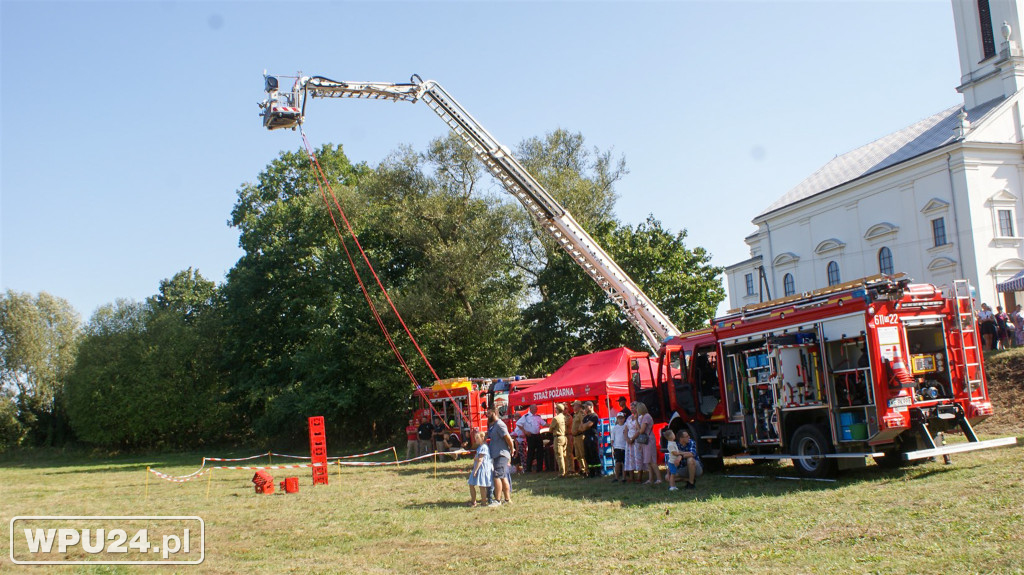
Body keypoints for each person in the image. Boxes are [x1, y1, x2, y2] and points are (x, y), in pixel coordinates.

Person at [485, 406, 515, 506]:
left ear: (495, 413)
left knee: (497, 476)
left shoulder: (500, 424)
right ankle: (507, 499)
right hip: (496, 454)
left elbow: (508, 438)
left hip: (502, 454)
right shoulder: (493, 425)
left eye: (489, 413)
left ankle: (497, 500)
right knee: (502, 477)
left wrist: (512, 450)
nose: (487, 415)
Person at [634, 402, 662, 485]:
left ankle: (659, 478)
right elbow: (640, 429)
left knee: (652, 461)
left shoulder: (646, 417)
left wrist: (637, 425)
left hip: (649, 440)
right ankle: (651, 479)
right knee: (648, 461)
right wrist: (636, 420)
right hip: (646, 440)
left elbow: (641, 430)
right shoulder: (644, 417)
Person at [516, 404, 547, 473]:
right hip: (531, 436)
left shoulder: (538, 417)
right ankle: (528, 469)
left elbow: (544, 424)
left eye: (536, 408)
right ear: (531, 409)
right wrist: (525, 431)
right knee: (531, 452)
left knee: (540, 452)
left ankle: (539, 469)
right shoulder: (526, 417)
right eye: (535, 408)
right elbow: (518, 424)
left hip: (538, 435)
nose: (536, 409)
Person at [467, 430, 493, 507]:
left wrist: (475, 470)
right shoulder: (480, 447)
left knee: (482, 486)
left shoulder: (484, 447)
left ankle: (483, 502)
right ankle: (473, 501)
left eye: (477, 438)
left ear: (482, 438)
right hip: (478, 468)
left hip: (482, 469)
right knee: (471, 484)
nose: (476, 439)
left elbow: (480, 460)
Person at [579, 401, 602, 478]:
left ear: (591, 406)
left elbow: (588, 425)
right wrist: (584, 425)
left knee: (594, 454)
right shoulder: (585, 417)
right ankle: (591, 472)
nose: (584, 408)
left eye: (586, 406)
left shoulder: (594, 416)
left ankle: (598, 471)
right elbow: (581, 428)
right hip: (586, 437)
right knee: (587, 455)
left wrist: (584, 425)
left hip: (592, 437)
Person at [550, 403, 569, 477]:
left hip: (558, 438)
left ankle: (562, 472)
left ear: (557, 409)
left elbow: (550, 429)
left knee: (559, 455)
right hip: (564, 437)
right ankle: (566, 470)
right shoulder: (565, 417)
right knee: (564, 455)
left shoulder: (556, 418)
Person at [624, 403, 640, 483]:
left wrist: (633, 438)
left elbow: (639, 430)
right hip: (629, 441)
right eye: (631, 408)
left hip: (636, 440)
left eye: (633, 408)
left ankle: (639, 477)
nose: (632, 409)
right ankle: (631, 477)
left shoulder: (640, 417)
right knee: (629, 458)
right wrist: (627, 439)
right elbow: (626, 429)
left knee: (638, 457)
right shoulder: (629, 418)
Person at [570, 400, 586, 476]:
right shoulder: (575, 414)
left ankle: (586, 469)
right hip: (575, 437)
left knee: (582, 454)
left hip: (580, 436)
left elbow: (583, 423)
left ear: (578, 406)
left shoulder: (581, 413)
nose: (573, 407)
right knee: (578, 455)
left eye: (574, 405)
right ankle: (582, 469)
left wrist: (578, 430)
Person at [610, 412, 627, 482]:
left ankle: (624, 477)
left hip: (625, 447)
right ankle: (616, 477)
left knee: (624, 463)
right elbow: (612, 439)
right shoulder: (614, 428)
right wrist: (613, 448)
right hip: (617, 447)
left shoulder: (626, 426)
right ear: (617, 419)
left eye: (622, 418)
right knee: (617, 462)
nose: (620, 420)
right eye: (619, 418)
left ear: (624, 419)